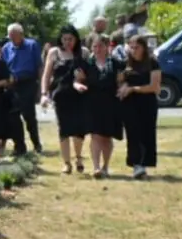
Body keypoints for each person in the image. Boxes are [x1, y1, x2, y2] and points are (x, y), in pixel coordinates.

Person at [40, 25, 90, 175]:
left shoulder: (84, 53)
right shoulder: (54, 52)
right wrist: (43, 93)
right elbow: (46, 75)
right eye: (64, 39)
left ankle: (79, 158)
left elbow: (90, 74)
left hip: (80, 95)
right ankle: (66, 163)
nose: (67, 42)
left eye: (70, 39)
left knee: (79, 129)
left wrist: (84, 77)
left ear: (76, 39)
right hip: (61, 95)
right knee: (64, 128)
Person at [119, 34, 162, 178]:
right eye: (131, 48)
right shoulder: (126, 63)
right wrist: (123, 86)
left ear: (144, 48)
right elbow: (120, 80)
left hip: (147, 103)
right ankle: (136, 165)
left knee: (146, 133)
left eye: (136, 47)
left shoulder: (152, 63)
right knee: (133, 134)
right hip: (129, 104)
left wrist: (133, 89)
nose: (133, 50)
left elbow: (154, 86)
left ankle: (144, 164)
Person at [84, 33, 125, 178]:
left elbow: (121, 81)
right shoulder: (86, 64)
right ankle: (96, 167)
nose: (97, 49)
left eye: (100, 46)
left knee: (107, 137)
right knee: (95, 135)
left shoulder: (116, 63)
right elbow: (79, 80)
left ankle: (105, 166)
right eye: (94, 46)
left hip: (111, 103)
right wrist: (78, 85)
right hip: (92, 103)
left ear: (107, 47)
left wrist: (122, 88)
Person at [2, 24, 44, 154]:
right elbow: (3, 66)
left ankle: (36, 143)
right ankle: (19, 146)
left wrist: (41, 88)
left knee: (28, 115)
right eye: (10, 36)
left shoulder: (32, 45)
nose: (12, 39)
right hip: (12, 85)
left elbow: (39, 67)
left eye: (14, 36)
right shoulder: (6, 48)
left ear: (21, 34)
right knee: (13, 116)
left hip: (28, 83)